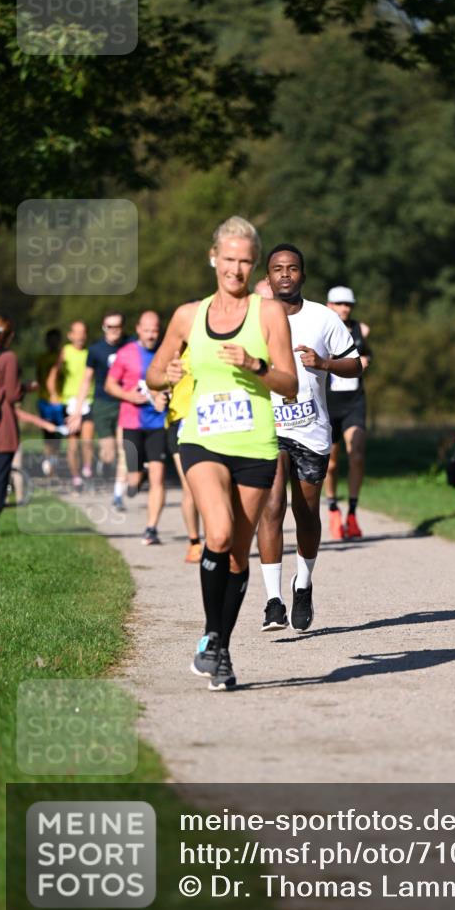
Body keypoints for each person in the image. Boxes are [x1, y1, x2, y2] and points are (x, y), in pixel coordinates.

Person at [146, 215, 297, 691]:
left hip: (254, 444)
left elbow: (290, 385)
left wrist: (255, 365)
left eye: (245, 261)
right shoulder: (187, 316)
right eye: (228, 259)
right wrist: (167, 374)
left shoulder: (268, 314)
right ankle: (213, 636)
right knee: (219, 532)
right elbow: (154, 373)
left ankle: (220, 648)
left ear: (255, 265)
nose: (235, 269)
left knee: (236, 555)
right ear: (213, 258)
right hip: (202, 439)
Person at [257, 245, 361, 632]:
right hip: (268, 429)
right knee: (271, 506)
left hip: (312, 430)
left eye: (292, 268)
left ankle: (303, 583)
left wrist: (324, 363)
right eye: (277, 268)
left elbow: (355, 365)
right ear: (268, 277)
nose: (285, 274)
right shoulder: (253, 318)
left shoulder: (324, 318)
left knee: (306, 513)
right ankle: (273, 601)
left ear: (303, 275)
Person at [0, 316, 56, 538]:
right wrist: (27, 387)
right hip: (0, 427)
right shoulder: (9, 358)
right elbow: (12, 394)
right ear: (11, 336)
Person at [105, 311, 167, 545]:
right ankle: (137, 477)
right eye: (147, 330)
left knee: (158, 477)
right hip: (132, 422)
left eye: (155, 330)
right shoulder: (126, 353)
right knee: (134, 478)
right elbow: (109, 385)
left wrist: (165, 395)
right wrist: (128, 395)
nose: (151, 335)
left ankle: (151, 528)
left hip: (158, 422)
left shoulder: (166, 352)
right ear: (138, 329)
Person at [68, 311, 129, 511]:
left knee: (123, 448)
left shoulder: (130, 345)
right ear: (104, 328)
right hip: (103, 404)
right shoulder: (95, 350)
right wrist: (77, 411)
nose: (114, 330)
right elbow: (86, 380)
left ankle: (118, 494)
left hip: (125, 403)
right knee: (109, 453)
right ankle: (103, 463)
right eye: (110, 326)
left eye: (117, 326)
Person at [325, 286, 372, 539]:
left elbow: (367, 354)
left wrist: (366, 361)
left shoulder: (361, 330)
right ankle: (333, 508)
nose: (345, 308)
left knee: (357, 455)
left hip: (354, 403)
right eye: (340, 304)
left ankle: (352, 514)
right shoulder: (321, 329)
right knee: (331, 464)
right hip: (329, 404)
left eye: (348, 304)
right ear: (329, 305)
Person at [165, 341, 204, 563]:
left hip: (210, 420)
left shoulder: (215, 343)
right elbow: (154, 380)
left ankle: (219, 541)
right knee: (190, 486)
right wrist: (158, 393)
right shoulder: (174, 348)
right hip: (180, 420)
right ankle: (194, 542)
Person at [47, 320, 94, 493]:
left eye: (83, 332)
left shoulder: (90, 353)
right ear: (70, 335)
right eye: (77, 332)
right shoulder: (65, 351)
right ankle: (76, 477)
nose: (80, 336)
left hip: (88, 400)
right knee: (72, 444)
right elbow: (54, 374)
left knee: (87, 440)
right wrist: (53, 393)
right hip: (70, 401)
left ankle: (87, 469)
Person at [35, 328, 63, 476]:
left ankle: (54, 465)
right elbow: (39, 378)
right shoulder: (42, 358)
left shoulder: (62, 357)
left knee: (58, 436)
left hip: (60, 401)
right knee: (48, 435)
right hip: (45, 402)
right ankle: (49, 465)